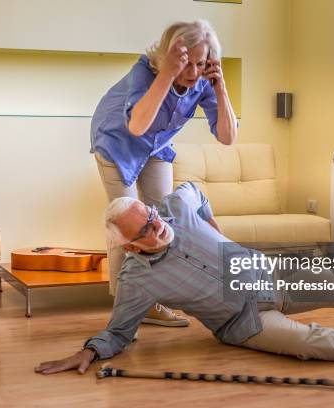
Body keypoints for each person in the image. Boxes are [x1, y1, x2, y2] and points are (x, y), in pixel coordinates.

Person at [35, 182, 334, 375]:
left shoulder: (174, 208)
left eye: (150, 216)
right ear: (129, 247)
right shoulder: (135, 281)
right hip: (243, 322)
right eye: (143, 230)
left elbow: (195, 192)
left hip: (268, 274)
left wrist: (214, 226)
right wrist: (91, 350)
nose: (155, 226)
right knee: (309, 342)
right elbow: (119, 331)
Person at [90, 20, 238, 327]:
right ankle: (126, 307)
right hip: (117, 143)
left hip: (155, 147)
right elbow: (137, 126)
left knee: (162, 219)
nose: (193, 72)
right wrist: (168, 72)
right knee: (128, 222)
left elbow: (227, 137)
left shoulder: (201, 81)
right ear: (170, 56)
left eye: (201, 63)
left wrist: (220, 87)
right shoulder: (144, 73)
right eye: (186, 64)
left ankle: (154, 301)